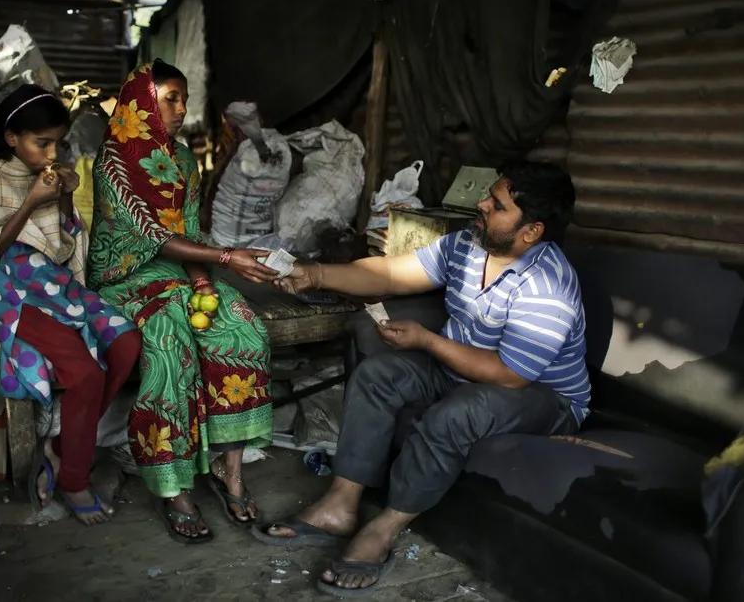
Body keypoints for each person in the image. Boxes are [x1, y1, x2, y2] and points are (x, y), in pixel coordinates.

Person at [254, 159, 590, 595]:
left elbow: (509, 375)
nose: (481, 204)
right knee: (378, 375)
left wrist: (427, 341)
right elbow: (392, 273)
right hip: (465, 371)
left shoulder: (548, 286)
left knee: (458, 412)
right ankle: (340, 504)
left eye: (498, 204)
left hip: (544, 397)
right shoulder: (469, 243)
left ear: (531, 231)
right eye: (489, 195)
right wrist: (313, 274)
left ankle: (384, 528)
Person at [88, 60, 279, 544]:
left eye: (184, 99)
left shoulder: (183, 159)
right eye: (170, 98)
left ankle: (230, 471)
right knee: (170, 343)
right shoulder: (114, 161)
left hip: (178, 272)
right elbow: (151, 235)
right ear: (141, 102)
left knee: (242, 327)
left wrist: (204, 280)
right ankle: (174, 488)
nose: (181, 110)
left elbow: (187, 230)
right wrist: (227, 257)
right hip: (126, 276)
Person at [0, 84, 142, 526]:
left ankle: (61, 447)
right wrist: (31, 201)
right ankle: (74, 479)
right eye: (41, 143)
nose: (50, 153)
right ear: (11, 138)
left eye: (57, 144)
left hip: (52, 284)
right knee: (85, 374)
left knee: (127, 343)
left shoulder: (49, 174)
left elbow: (63, 246)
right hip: (8, 291)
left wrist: (63, 197)